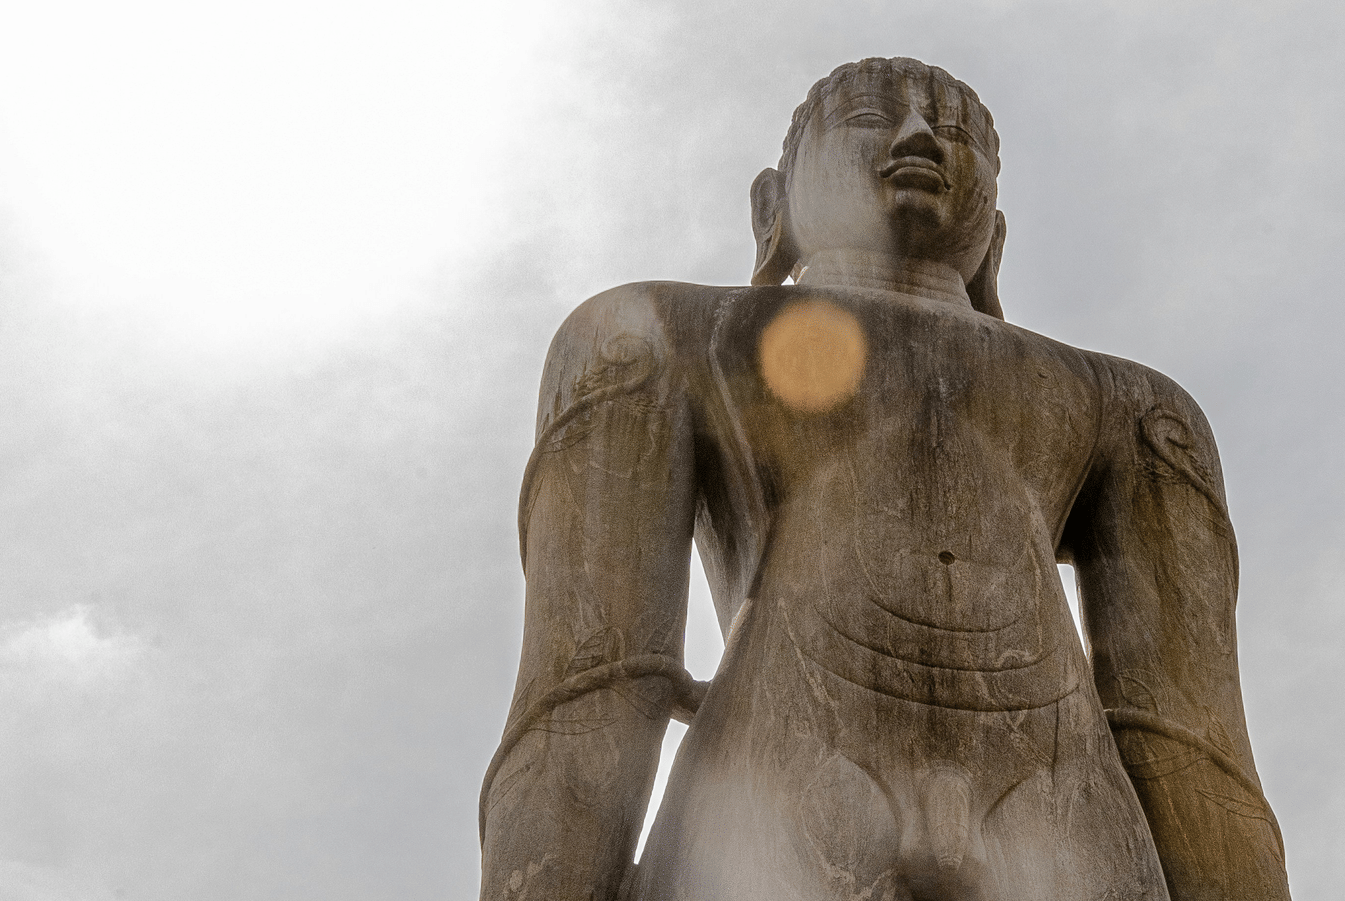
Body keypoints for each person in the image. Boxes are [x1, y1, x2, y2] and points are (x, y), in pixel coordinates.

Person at [479, 57, 1290, 901]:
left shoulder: (1134, 407)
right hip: (774, 806)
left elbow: (1191, 746)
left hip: (1061, 815)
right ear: (772, 207)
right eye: (868, 114)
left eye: (955, 130)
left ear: (995, 237)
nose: (917, 136)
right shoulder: (656, 335)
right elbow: (590, 684)